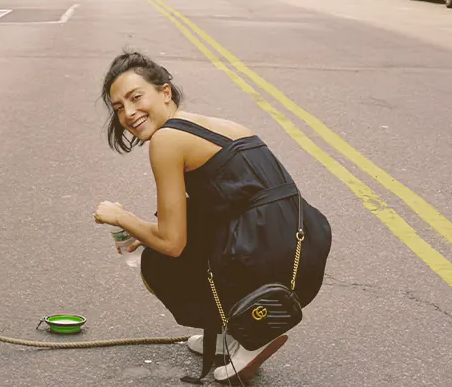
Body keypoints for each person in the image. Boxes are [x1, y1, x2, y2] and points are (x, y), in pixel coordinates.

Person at [94, 52, 331, 383]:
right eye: (119, 107)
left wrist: (121, 217)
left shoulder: (166, 140)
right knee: (180, 234)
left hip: (273, 259)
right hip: (302, 248)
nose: (129, 113)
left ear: (165, 93)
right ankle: (229, 330)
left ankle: (254, 331)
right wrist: (144, 229)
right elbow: (220, 210)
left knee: (158, 262)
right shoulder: (212, 125)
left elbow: (172, 243)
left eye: (135, 97)